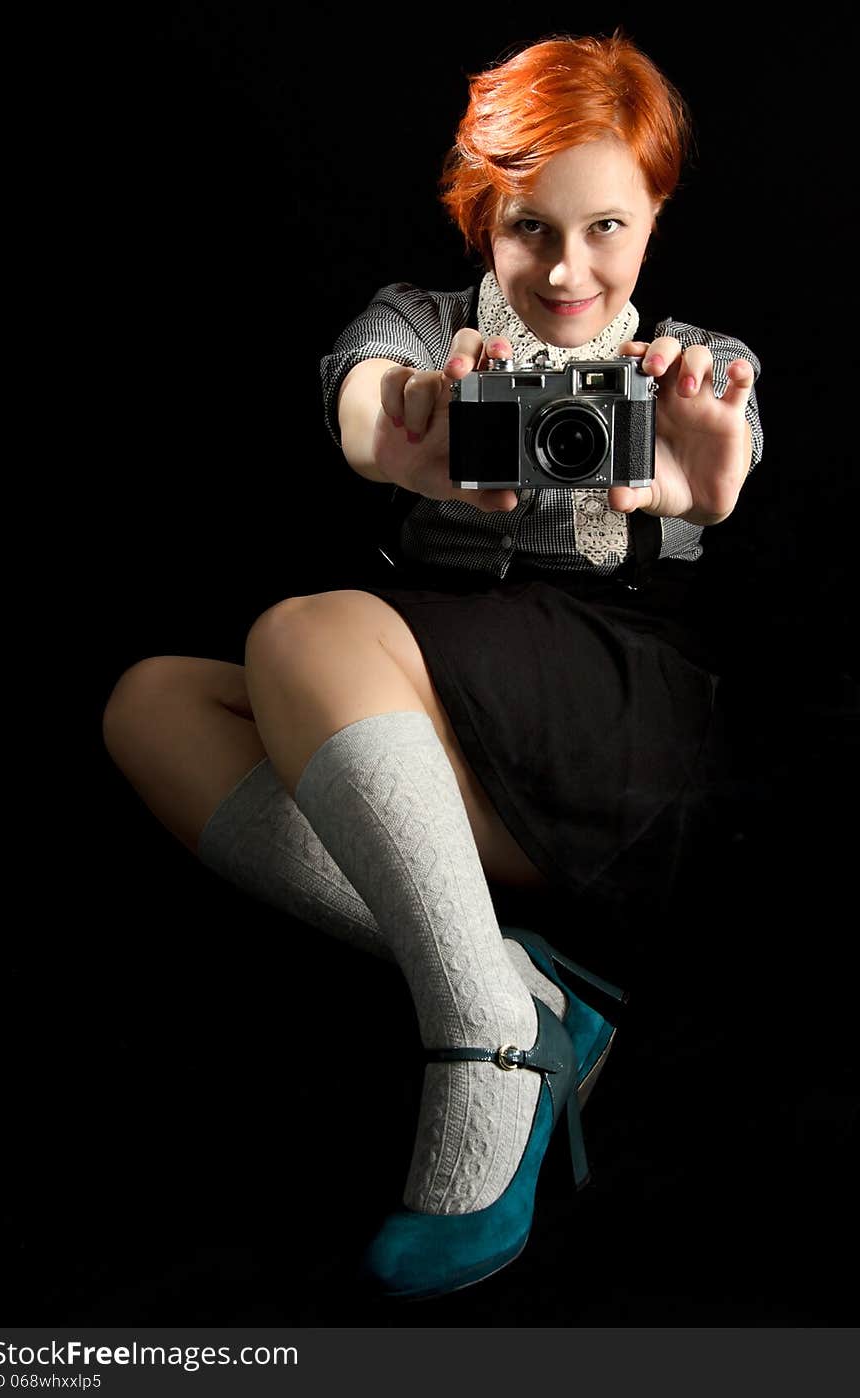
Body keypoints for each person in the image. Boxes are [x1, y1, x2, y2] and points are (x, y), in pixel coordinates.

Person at [102, 28, 763, 1301]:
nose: (569, 268)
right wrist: (405, 433)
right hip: (430, 713)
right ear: (481, 216)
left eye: (607, 227)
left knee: (301, 631)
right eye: (530, 230)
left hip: (614, 733)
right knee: (152, 703)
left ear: (657, 212)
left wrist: (700, 473)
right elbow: (364, 398)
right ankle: (503, 988)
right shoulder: (421, 323)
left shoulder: (690, 361)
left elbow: (724, 458)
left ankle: (480, 1047)